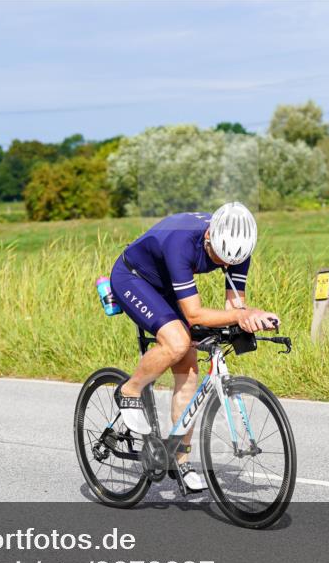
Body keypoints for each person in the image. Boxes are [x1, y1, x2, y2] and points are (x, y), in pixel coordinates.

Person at [109, 202, 280, 492]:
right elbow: (194, 315)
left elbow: (235, 307)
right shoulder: (182, 241)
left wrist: (252, 319)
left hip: (168, 285)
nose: (226, 265)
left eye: (232, 262)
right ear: (209, 236)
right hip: (134, 278)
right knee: (177, 342)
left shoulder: (237, 249)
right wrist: (242, 315)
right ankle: (130, 390)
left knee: (188, 369)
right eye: (220, 258)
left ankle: (180, 459)